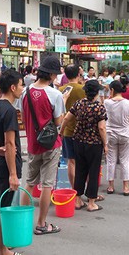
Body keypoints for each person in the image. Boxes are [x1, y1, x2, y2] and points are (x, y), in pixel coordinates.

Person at [19, 56, 69, 236]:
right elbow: (58, 121)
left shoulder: (25, 91)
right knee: (47, 184)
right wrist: (63, 99)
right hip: (50, 144)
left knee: (30, 183)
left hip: (33, 143)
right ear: (52, 74)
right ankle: (41, 224)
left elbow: (23, 117)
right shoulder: (55, 94)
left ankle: (23, 222)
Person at [0, 69, 24, 255]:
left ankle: (4, 247)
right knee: (6, 210)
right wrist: (13, 175)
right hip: (7, 167)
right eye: (21, 84)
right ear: (12, 87)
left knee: (4, 209)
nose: (22, 88)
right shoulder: (9, 110)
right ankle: (3, 250)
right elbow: (10, 143)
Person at [61, 80, 107, 211]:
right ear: (97, 92)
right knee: (93, 171)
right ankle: (92, 202)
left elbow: (66, 118)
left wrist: (61, 131)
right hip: (94, 143)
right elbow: (102, 128)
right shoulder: (99, 107)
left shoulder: (79, 104)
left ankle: (78, 200)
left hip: (78, 141)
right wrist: (106, 144)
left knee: (80, 170)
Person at [103, 80, 129, 196]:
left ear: (111, 90)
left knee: (111, 160)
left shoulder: (106, 103)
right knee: (124, 160)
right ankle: (126, 187)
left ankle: (110, 186)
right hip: (125, 134)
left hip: (110, 133)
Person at [59, 64, 86, 189]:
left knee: (71, 161)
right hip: (83, 130)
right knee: (85, 161)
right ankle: (84, 189)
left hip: (67, 130)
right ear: (78, 74)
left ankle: (74, 189)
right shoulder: (83, 89)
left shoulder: (60, 90)